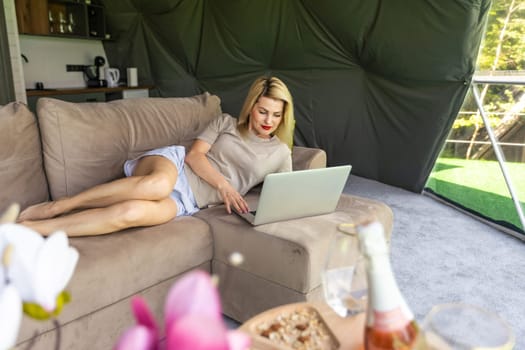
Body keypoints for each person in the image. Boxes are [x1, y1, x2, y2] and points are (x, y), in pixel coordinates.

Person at [18, 76, 295, 237]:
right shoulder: (225, 122)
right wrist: (224, 185)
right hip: (173, 165)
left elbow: (287, 194)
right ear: (251, 107)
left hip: (190, 202)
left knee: (131, 213)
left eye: (276, 114)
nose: (268, 120)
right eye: (262, 111)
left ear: (284, 116)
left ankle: (35, 230)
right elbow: (195, 157)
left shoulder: (280, 153)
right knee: (158, 185)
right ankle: (59, 206)